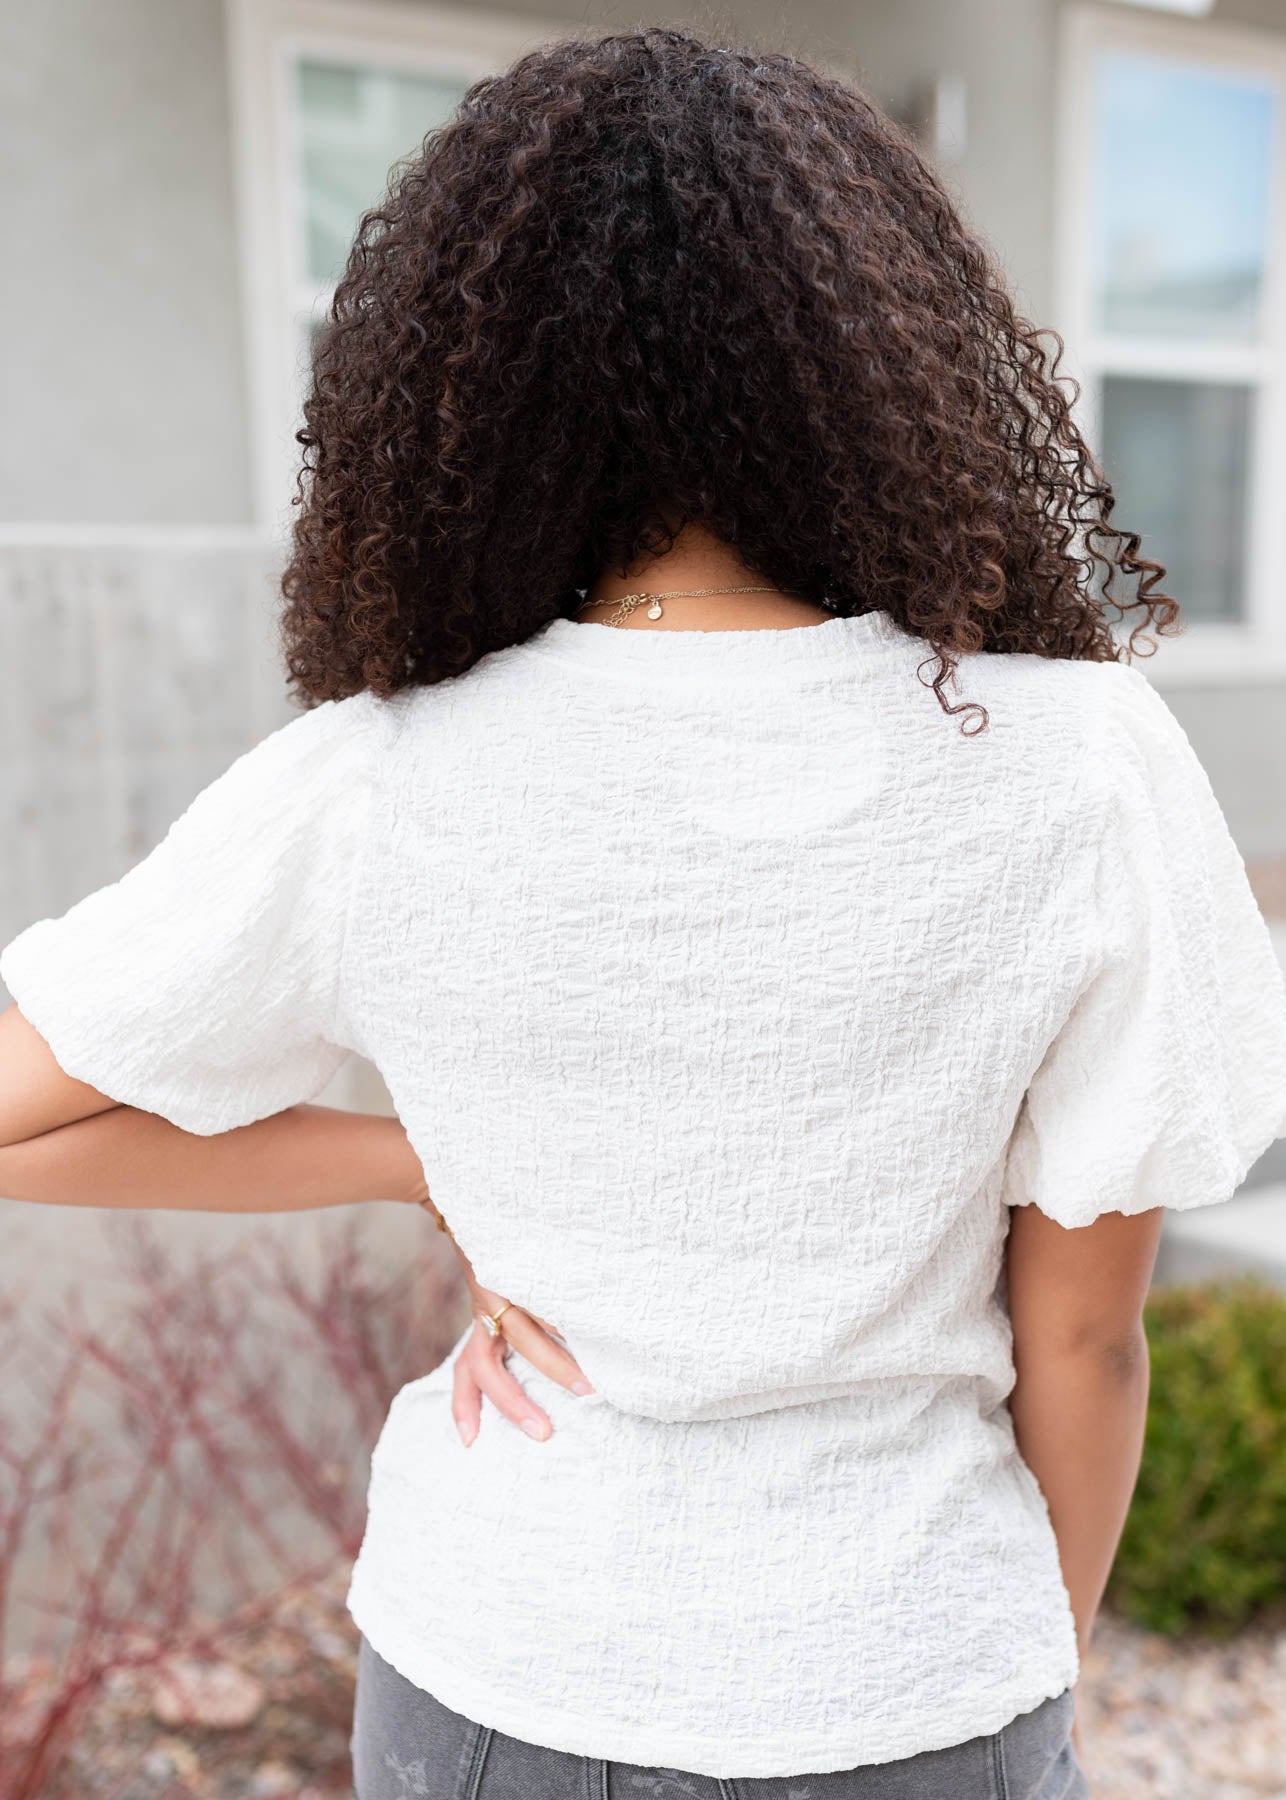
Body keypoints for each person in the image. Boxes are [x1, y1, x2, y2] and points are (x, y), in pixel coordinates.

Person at [2, 24, 1285, 1800]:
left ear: (458, 387)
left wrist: (410, 1160)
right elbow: (1081, 1330)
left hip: (493, 1670)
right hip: (906, 1682)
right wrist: (1028, 1667)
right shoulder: (1078, 762)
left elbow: (15, 1122)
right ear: (881, 355)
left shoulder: (383, 774)